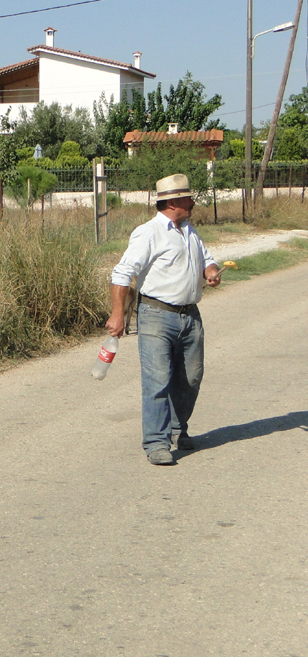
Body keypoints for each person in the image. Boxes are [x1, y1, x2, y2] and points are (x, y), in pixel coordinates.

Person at [106, 173, 220, 466]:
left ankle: (178, 428)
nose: (193, 202)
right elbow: (122, 273)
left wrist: (210, 270)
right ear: (172, 202)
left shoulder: (189, 230)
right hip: (157, 316)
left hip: (190, 316)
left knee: (191, 377)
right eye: (187, 198)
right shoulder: (148, 233)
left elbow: (207, 258)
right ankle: (157, 442)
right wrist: (117, 314)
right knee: (157, 380)